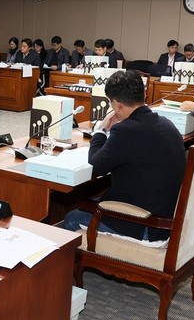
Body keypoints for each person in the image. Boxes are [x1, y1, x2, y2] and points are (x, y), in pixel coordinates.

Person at [63, 70, 185, 241]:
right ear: (143, 94)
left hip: (145, 223)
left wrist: (100, 130)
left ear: (117, 104)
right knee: (92, 201)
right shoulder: (166, 123)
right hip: (167, 214)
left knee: (70, 219)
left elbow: (94, 166)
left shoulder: (126, 130)